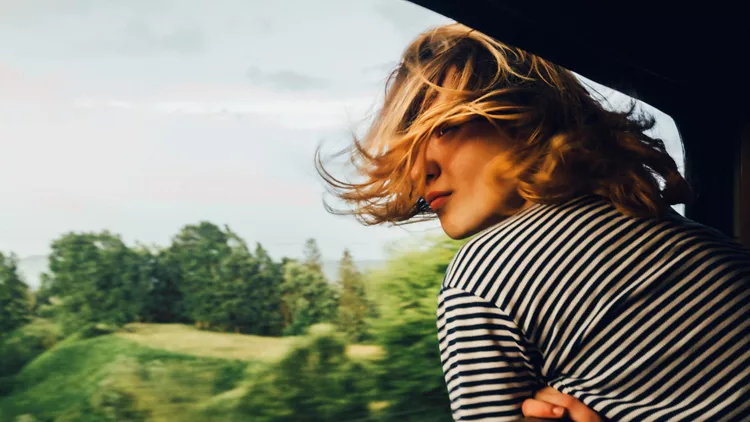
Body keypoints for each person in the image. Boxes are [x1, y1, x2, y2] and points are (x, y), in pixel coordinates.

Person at [315, 22, 750, 421]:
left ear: (526, 120)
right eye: (408, 150)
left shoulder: (481, 276)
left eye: (444, 128)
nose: (418, 171)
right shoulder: (703, 242)